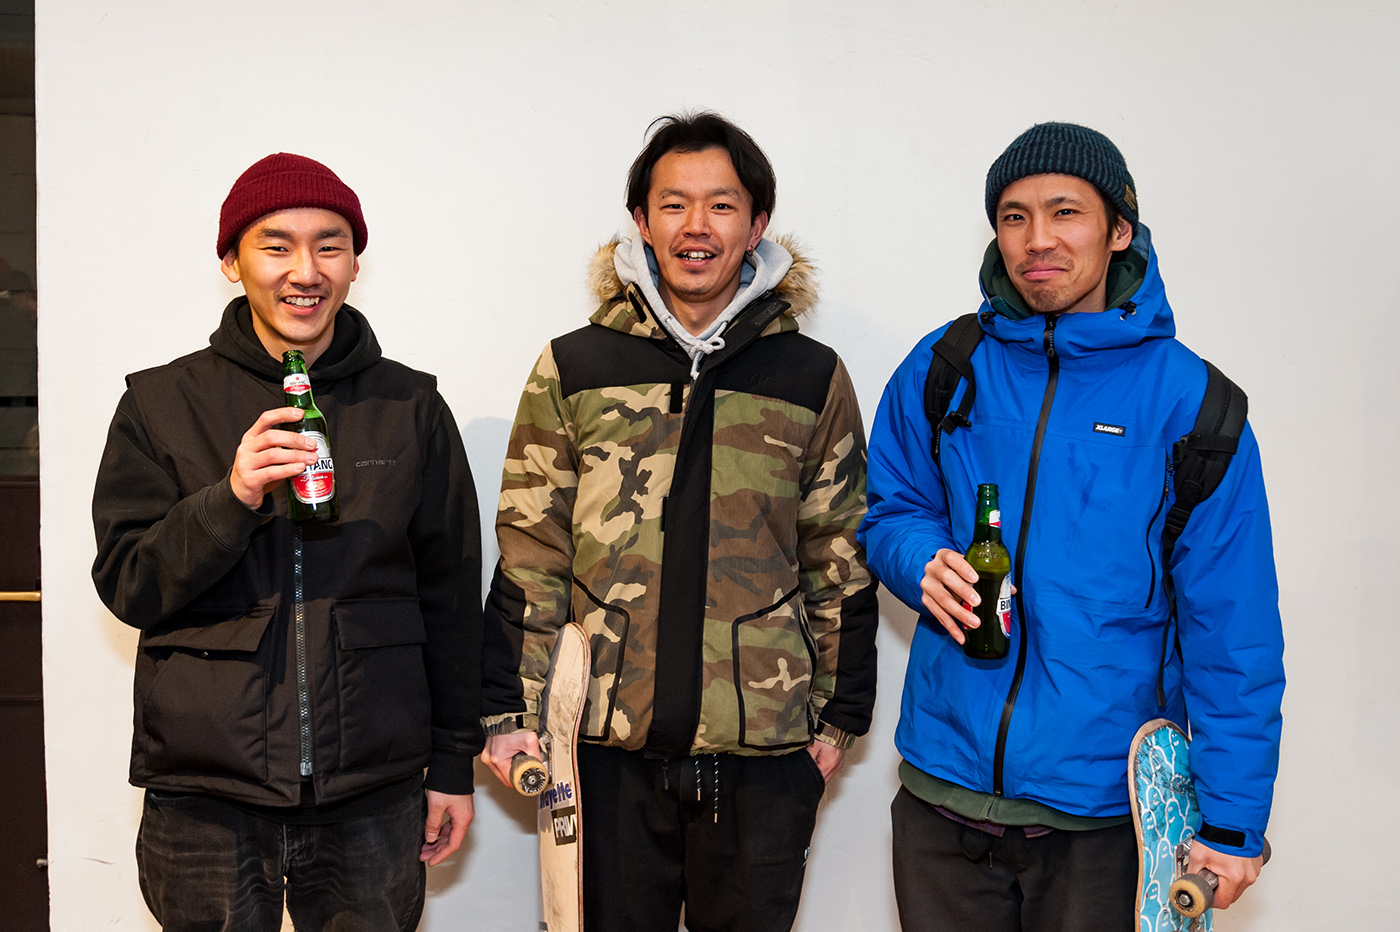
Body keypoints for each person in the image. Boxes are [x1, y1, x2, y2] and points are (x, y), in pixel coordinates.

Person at [859, 122, 1284, 931]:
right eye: (1014, 217)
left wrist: (1232, 822)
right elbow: (891, 508)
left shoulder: (1195, 404)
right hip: (941, 798)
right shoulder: (945, 365)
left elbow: (1234, 630)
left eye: (1065, 212)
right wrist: (918, 558)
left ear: (1119, 229)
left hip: (1107, 818)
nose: (1038, 240)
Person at [479, 111, 879, 932]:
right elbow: (531, 554)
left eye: (722, 205)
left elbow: (839, 553)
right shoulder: (576, 366)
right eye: (674, 204)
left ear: (757, 225)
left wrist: (839, 719)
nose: (697, 226)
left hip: (763, 757)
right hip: (604, 748)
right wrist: (511, 713)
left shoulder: (809, 375)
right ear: (641, 221)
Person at [91, 153, 483, 931]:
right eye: (276, 246)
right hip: (206, 794)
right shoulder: (160, 404)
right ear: (231, 262)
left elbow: (450, 600)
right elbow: (130, 584)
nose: (306, 271)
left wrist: (452, 764)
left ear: (355, 263)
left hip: (372, 792)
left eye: (329, 245)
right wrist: (230, 500)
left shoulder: (410, 406)